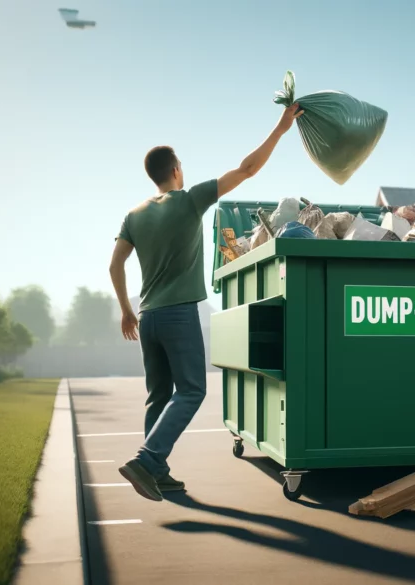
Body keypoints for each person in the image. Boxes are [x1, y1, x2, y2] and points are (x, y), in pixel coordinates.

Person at [109, 102, 303, 502]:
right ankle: (147, 460)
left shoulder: (133, 214)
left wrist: (127, 311)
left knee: (158, 396)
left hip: (147, 318)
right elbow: (248, 169)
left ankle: (156, 473)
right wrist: (282, 127)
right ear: (176, 169)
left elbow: (115, 265)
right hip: (179, 315)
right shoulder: (189, 199)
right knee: (192, 390)